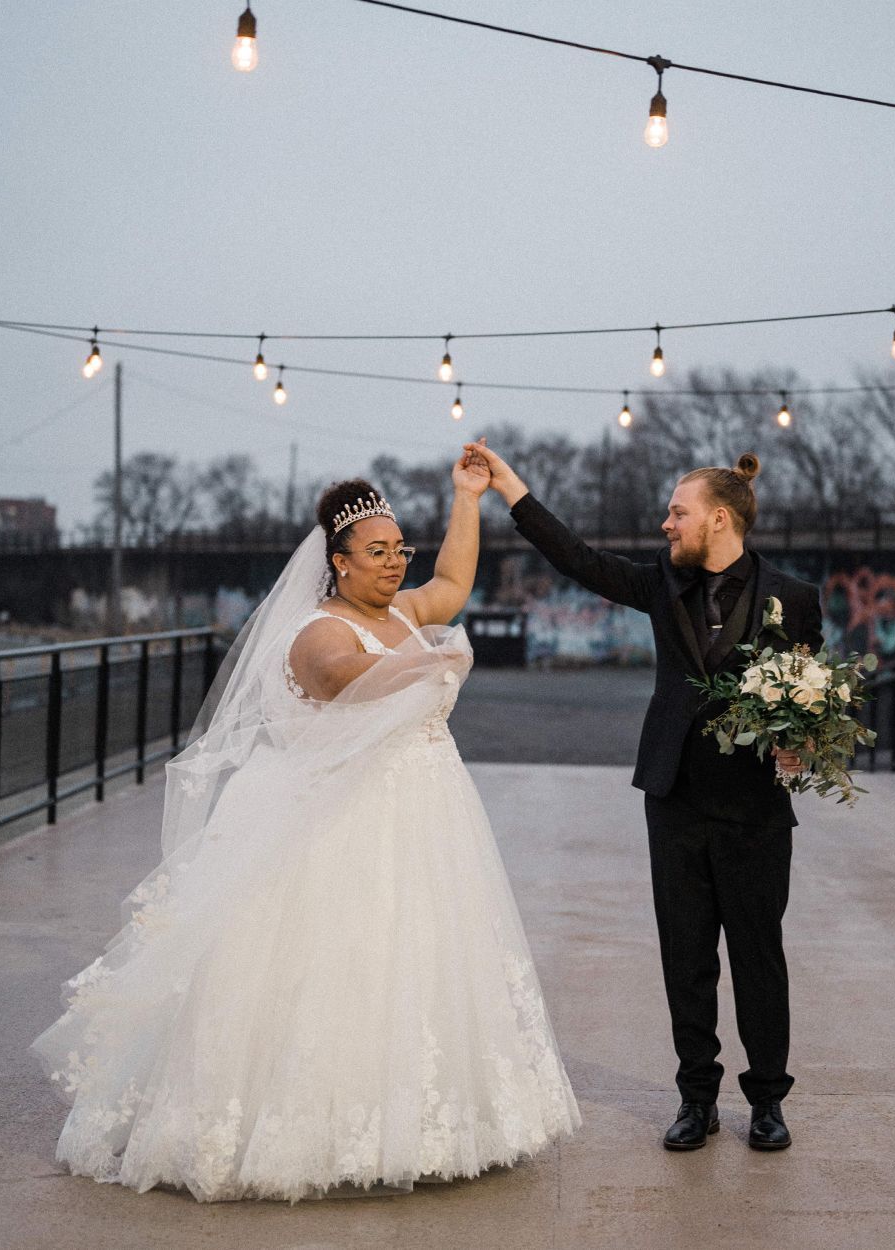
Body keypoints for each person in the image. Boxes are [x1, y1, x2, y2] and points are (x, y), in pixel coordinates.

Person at [30, 449, 580, 1202]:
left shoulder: (403, 614)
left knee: (422, 961)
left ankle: (428, 1117)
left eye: (398, 551)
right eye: (378, 554)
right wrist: (431, 667)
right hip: (347, 824)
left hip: (427, 820)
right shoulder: (317, 630)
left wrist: (466, 498)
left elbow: (451, 585)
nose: (395, 565)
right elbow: (333, 678)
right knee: (342, 966)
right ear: (340, 563)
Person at [466, 441, 822, 1153]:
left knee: (759, 955)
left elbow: (808, 705)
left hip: (755, 808)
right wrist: (507, 485)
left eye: (676, 512)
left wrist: (802, 746)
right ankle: (697, 1099)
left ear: (719, 519)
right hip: (675, 795)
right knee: (684, 954)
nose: (667, 523)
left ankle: (767, 1103)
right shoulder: (663, 581)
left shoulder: (794, 599)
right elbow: (577, 558)